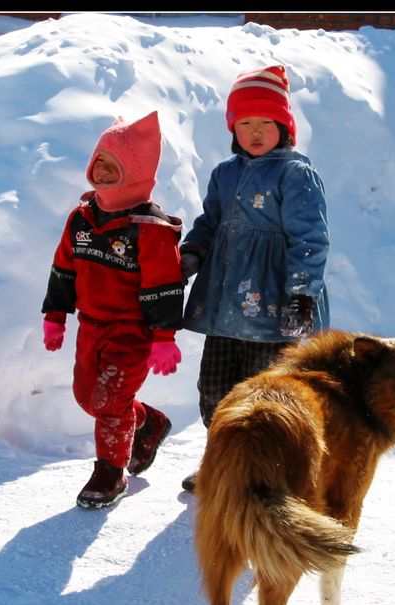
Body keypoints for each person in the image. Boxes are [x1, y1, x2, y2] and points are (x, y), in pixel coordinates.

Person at [179, 65, 330, 491]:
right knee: (214, 391)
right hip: (225, 307)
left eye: (267, 122)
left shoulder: (296, 174)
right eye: (245, 123)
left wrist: (303, 296)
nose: (256, 131)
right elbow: (209, 222)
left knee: (264, 399)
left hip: (274, 310)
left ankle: (266, 474)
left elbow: (310, 239)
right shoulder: (224, 173)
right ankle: (220, 463)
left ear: (284, 125)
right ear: (233, 128)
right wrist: (192, 254)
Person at [41, 111, 184, 508]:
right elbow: (64, 267)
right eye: (98, 163)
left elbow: (164, 284)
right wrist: (55, 316)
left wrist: (163, 337)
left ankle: (110, 472)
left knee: (107, 402)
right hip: (91, 326)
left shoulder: (149, 228)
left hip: (131, 331)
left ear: (135, 171)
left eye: (113, 166)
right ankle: (148, 421)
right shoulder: (82, 218)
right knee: (88, 397)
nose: (102, 172)